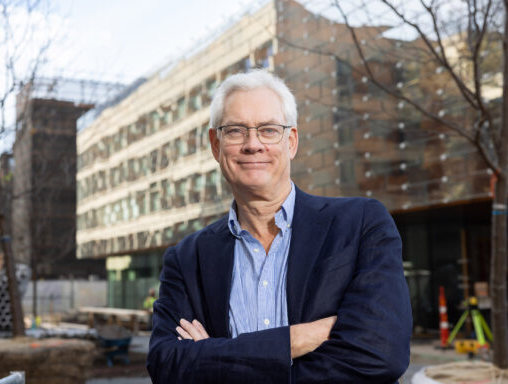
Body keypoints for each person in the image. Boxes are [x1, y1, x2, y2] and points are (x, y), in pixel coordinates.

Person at [146, 70, 412, 383]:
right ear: (215, 145)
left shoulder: (361, 224)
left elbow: (381, 354)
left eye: (269, 130)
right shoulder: (187, 258)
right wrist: (298, 339)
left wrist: (217, 356)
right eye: (235, 131)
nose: (253, 144)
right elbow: (166, 365)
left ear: (291, 141)